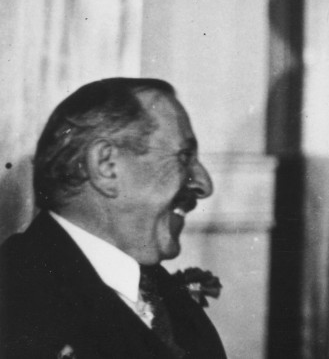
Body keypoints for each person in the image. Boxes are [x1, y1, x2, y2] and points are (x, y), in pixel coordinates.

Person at [0, 77, 225, 358]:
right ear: (106, 165)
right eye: (184, 156)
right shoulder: (16, 302)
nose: (204, 184)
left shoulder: (172, 301)